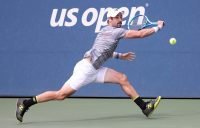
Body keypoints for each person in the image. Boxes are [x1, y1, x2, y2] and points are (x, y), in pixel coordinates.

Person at [16, 8, 164, 122]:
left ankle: (144, 107)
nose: (120, 20)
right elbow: (140, 34)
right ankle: (26, 103)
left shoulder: (107, 31)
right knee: (61, 95)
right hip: (86, 70)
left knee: (122, 78)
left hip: (95, 69)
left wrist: (120, 56)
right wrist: (158, 27)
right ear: (110, 19)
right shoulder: (115, 32)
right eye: (117, 17)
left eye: (121, 17)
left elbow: (104, 52)